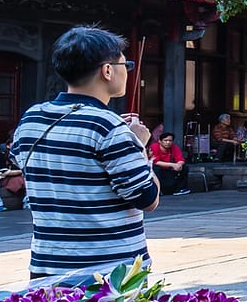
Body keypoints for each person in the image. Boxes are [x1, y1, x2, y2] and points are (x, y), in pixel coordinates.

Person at [11, 26, 160, 278]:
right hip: (111, 271)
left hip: (48, 266)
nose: (127, 72)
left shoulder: (31, 118)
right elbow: (147, 199)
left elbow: (22, 159)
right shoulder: (109, 126)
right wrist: (139, 146)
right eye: (126, 65)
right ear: (107, 70)